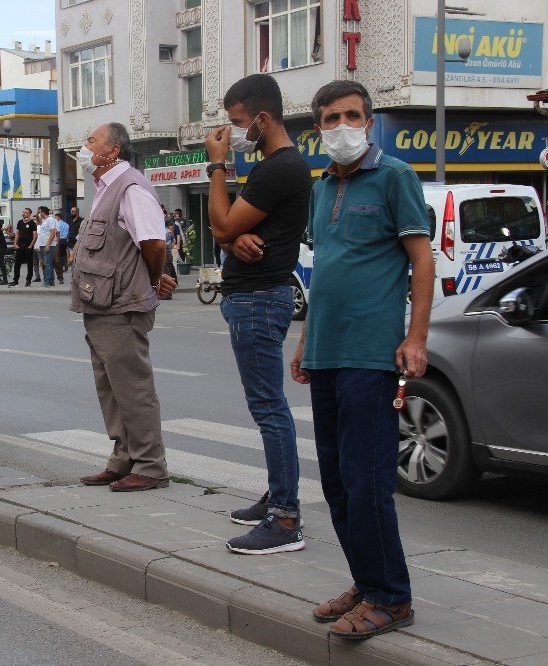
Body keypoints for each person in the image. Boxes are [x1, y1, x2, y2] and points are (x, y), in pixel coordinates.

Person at [290, 80, 434, 639]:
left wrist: (415, 338)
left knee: (367, 479)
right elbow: (325, 273)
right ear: (319, 128)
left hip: (371, 354)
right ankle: (367, 581)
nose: (342, 125)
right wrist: (305, 343)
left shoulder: (396, 177)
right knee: (336, 482)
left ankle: (391, 597)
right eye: (331, 117)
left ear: (369, 123)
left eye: (352, 115)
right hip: (326, 351)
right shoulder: (322, 186)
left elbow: (422, 264)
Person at [204, 73, 313, 555]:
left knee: (269, 408)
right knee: (267, 406)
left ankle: (285, 517)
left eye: (238, 122)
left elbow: (221, 221)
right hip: (255, 295)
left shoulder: (278, 169)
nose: (234, 132)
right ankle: (277, 494)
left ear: (263, 118)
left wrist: (217, 167)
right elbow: (226, 231)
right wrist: (229, 237)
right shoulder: (276, 168)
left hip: (258, 298)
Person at [72, 122, 178, 492]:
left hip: (122, 305)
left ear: (113, 151)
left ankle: (150, 466)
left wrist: (152, 278)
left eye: (91, 140)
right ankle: (124, 459)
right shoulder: (104, 188)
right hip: (101, 303)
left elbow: (153, 242)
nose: (85, 147)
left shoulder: (131, 187)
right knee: (111, 387)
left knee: (133, 388)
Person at [9, 208, 37, 287]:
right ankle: (15, 281)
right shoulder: (20, 222)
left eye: (26, 212)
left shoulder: (32, 223)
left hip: (28, 246)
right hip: (20, 246)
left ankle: (28, 281)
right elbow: (17, 234)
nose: (24, 213)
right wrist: (15, 243)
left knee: (29, 264)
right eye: (23, 212)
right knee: (17, 264)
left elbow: (35, 236)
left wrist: (31, 245)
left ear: (29, 214)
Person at [37, 206, 57, 287]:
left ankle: (47, 281)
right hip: (42, 245)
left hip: (48, 245)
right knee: (48, 264)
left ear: (43, 212)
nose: (38, 214)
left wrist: (48, 244)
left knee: (47, 264)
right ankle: (51, 281)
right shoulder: (44, 221)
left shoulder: (50, 219)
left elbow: (53, 233)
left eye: (39, 212)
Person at [55, 211, 69, 279]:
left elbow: (58, 233)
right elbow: (68, 232)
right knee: (64, 253)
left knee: (59, 254)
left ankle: (62, 266)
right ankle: (66, 264)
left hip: (59, 240)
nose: (55, 218)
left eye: (56, 217)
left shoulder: (57, 224)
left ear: (58, 217)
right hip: (65, 240)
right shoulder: (66, 224)